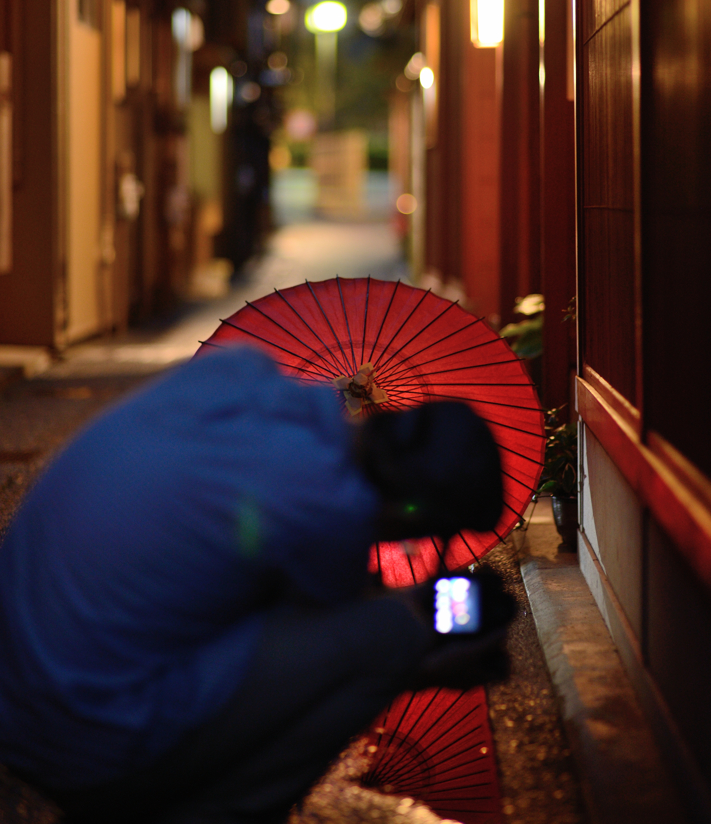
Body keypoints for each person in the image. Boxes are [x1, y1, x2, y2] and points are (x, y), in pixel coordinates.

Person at [0, 345, 513, 824]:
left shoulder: (236, 377)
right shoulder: (331, 503)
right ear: (407, 508)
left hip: (20, 706)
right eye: (415, 533)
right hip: (85, 745)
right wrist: (427, 660)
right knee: (388, 637)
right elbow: (331, 630)